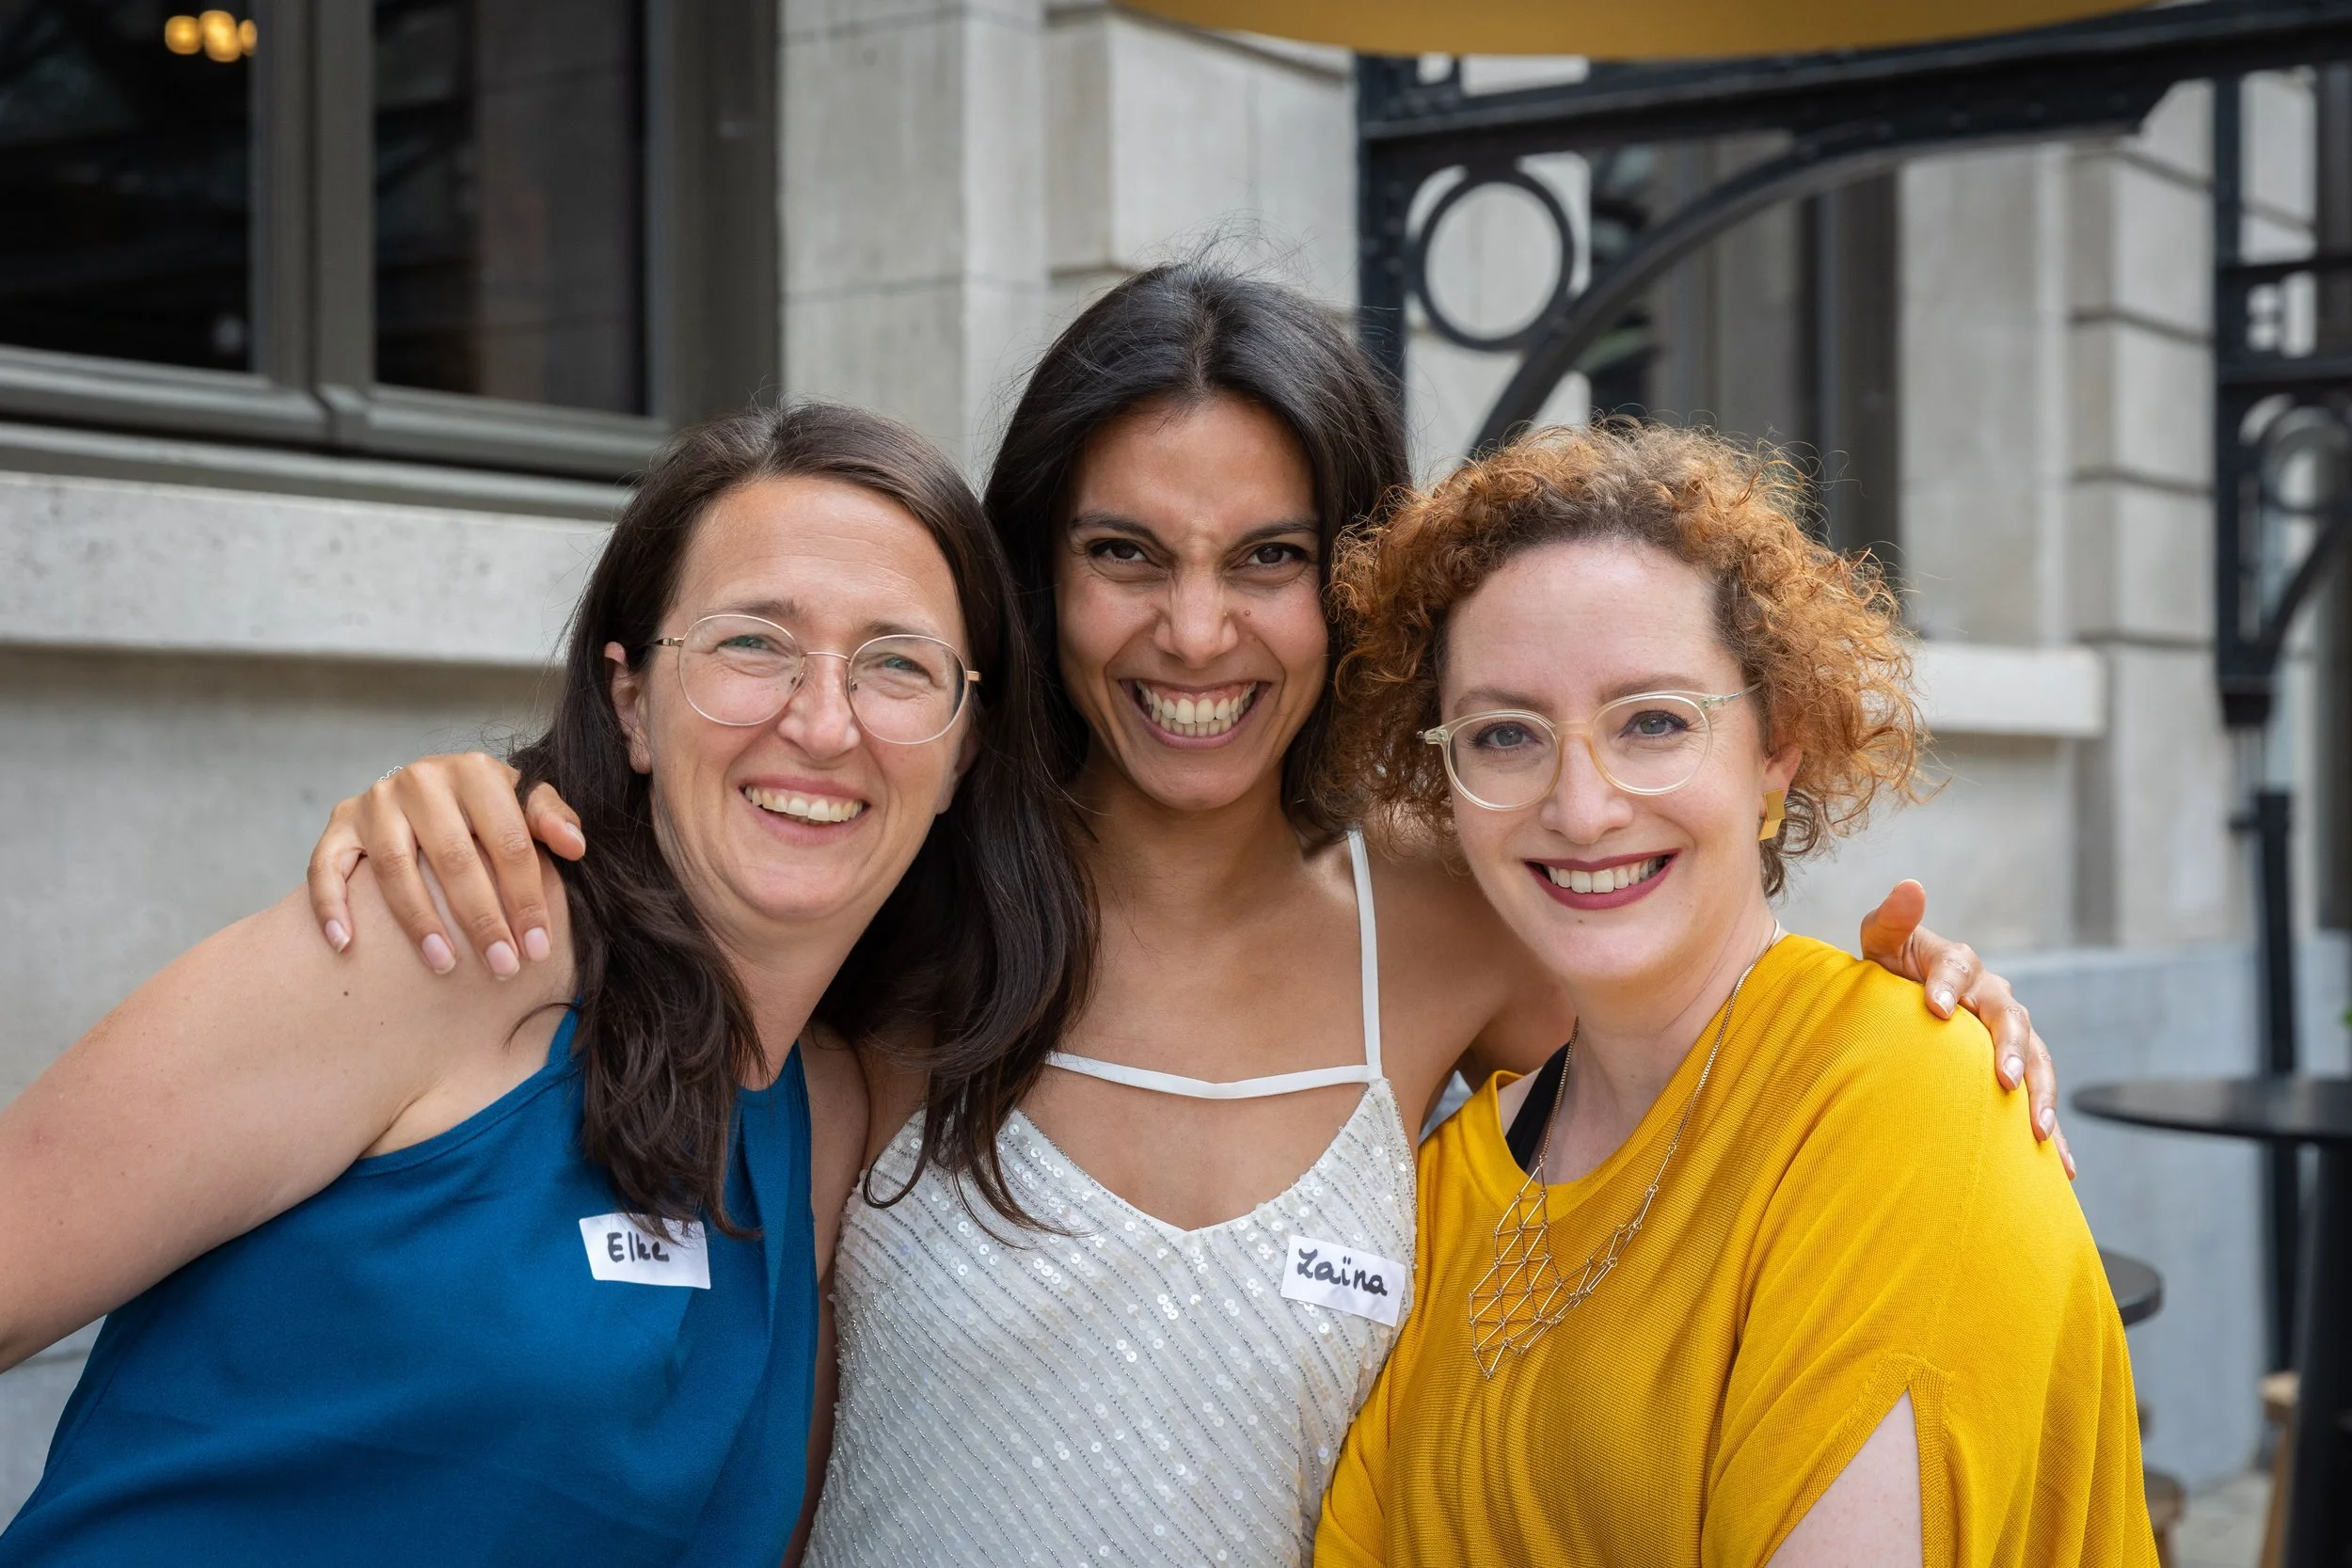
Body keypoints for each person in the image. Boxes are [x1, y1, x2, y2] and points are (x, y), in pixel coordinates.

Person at [299, 265, 2067, 1566]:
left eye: (1269, 559)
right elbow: (671, 832)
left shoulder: (1455, 919)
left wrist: (1922, 1016)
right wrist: (462, 800)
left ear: (1354, 587)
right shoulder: (892, 883)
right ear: (1037, 572)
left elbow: (1698, 1074)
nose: (1195, 633)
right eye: (1125, 551)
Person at [0, 403, 1088, 1567]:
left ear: (965, 743)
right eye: (751, 644)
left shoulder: (822, 1112)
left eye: (896, 664)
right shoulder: (439, 942)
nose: (822, 722)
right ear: (631, 702)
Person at [1314, 421, 2150, 1566]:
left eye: (1652, 721)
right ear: (1445, 782)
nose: (1581, 803)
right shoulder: (1445, 1188)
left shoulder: (1905, 1099)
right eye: (1504, 733)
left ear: (1777, 748)